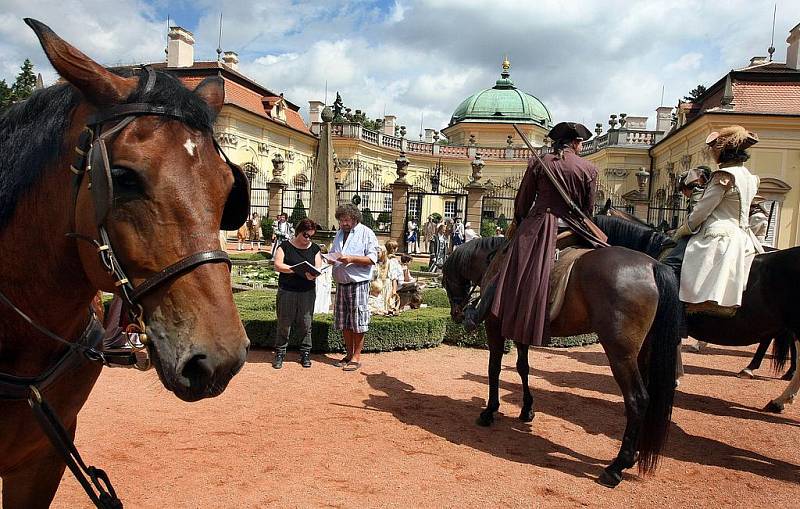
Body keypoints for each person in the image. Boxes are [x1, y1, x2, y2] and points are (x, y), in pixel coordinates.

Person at [486, 122, 602, 345]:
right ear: (576, 144)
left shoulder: (540, 162)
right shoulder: (589, 168)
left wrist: (518, 221)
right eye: (580, 143)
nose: (580, 147)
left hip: (540, 225)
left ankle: (487, 310)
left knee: (510, 265)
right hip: (574, 226)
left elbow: (524, 199)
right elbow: (588, 209)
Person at [673, 125, 764, 310]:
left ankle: (678, 308)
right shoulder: (751, 177)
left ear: (723, 151)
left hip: (718, 236)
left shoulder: (724, 176)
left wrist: (684, 229)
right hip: (744, 238)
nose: (712, 152)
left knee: (669, 262)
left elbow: (702, 211)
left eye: (714, 148)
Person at [327, 203, 379, 371]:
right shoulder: (339, 234)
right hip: (341, 283)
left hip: (358, 283)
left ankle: (356, 356)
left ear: (355, 218)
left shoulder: (367, 233)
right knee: (344, 322)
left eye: (347, 220)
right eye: (341, 220)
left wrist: (351, 259)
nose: (343, 223)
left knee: (358, 321)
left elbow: (372, 259)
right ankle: (348, 354)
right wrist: (329, 258)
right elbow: (334, 253)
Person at [271, 218, 323, 369]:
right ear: (298, 232)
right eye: (306, 235)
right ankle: (280, 353)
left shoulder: (314, 248)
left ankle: (305, 353)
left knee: (306, 323)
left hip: (307, 291)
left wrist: (313, 274)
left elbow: (318, 266)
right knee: (284, 323)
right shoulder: (285, 246)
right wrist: (295, 269)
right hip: (287, 290)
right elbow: (278, 265)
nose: (308, 239)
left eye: (311, 236)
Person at [314, 243, 333, 314]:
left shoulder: (327, 262)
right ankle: (316, 311)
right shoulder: (316, 260)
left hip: (324, 281)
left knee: (323, 297)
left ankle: (323, 311)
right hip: (318, 280)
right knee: (317, 296)